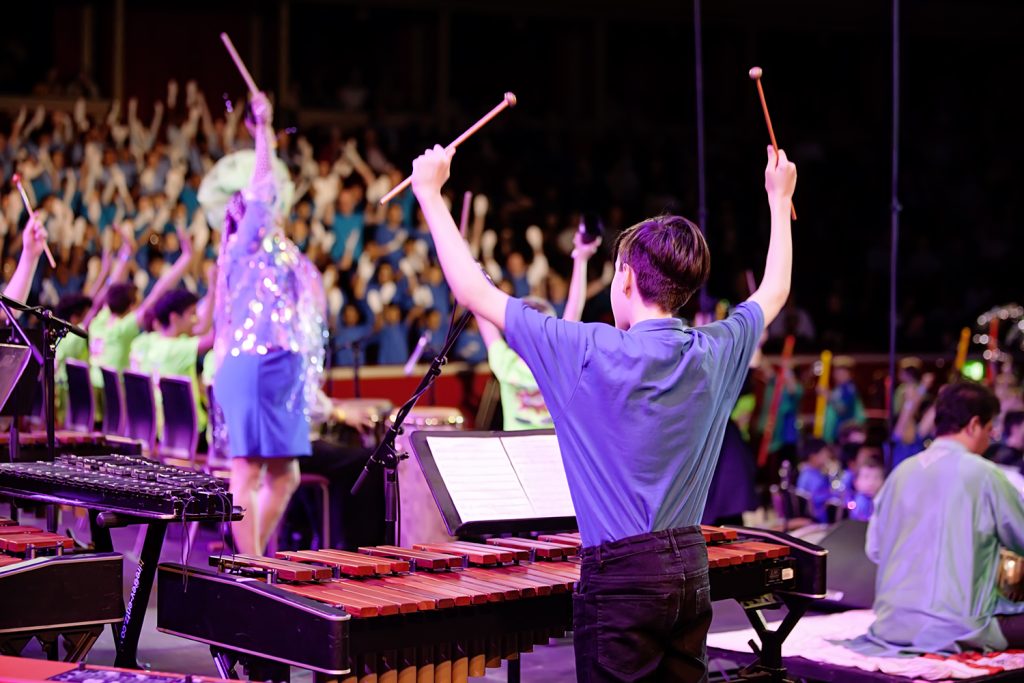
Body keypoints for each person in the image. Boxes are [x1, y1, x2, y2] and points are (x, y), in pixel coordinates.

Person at [411, 143, 796, 682]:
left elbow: (472, 289)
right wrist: (780, 202)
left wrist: (430, 192)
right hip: (691, 568)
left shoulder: (586, 350)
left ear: (626, 280)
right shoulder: (715, 350)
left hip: (619, 580)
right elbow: (774, 291)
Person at [213, 92, 327, 556]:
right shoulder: (241, 250)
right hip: (257, 368)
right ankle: (252, 566)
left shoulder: (272, 255)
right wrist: (264, 129)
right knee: (249, 470)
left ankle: (252, 560)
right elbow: (263, 189)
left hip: (279, 369)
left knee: (285, 475)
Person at [866, 381, 1024, 653]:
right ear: (974, 425)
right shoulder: (985, 474)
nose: (990, 439)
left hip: (889, 626)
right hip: (954, 631)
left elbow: (875, 550)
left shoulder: (899, 473)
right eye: (989, 429)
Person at [476, 226, 601, 431]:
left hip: (517, 448)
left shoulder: (506, 362)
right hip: (551, 446)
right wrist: (580, 260)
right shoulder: (556, 360)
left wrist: (473, 274)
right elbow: (574, 309)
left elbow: (480, 308)